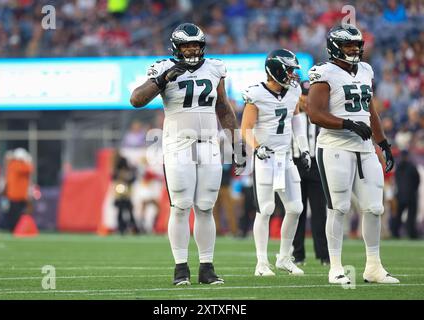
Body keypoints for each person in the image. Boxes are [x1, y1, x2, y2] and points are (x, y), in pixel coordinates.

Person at [130, 23, 246, 285]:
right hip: (178, 145)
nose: (192, 49)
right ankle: (180, 267)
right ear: (176, 48)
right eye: (186, 45)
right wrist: (164, 79)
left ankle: (207, 267)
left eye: (196, 45)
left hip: (208, 145)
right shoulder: (162, 68)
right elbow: (136, 100)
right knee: (181, 207)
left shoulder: (215, 67)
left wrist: (237, 145)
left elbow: (224, 109)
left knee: (205, 207)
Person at [307, 24, 399, 284]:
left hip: (365, 148)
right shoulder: (324, 72)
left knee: (374, 207)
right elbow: (314, 112)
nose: (355, 49)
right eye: (349, 45)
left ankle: (374, 266)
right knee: (339, 208)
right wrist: (346, 124)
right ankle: (335, 267)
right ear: (335, 47)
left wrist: (383, 142)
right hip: (335, 147)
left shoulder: (366, 70)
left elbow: (370, 112)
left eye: (357, 45)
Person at [241, 49, 311, 276]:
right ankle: (261, 262)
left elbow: (297, 119)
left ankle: (283, 257)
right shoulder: (256, 94)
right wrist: (257, 147)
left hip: (286, 157)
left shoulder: (294, 91)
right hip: (265, 158)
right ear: (277, 70)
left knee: (295, 208)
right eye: (289, 70)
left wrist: (305, 148)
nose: (292, 75)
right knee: (266, 209)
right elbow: (245, 129)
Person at [291, 80, 330, 266]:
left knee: (319, 212)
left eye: (308, 95)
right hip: (295, 163)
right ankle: (298, 255)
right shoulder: (290, 114)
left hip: (315, 165)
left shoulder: (320, 116)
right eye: (303, 95)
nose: (306, 100)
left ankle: (323, 255)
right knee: (296, 211)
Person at [391, 150, 420, 239]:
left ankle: (395, 233)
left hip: (400, 194)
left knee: (398, 216)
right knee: (411, 216)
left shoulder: (398, 167)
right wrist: (413, 191)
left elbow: (395, 180)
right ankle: (412, 234)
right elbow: (417, 181)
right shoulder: (412, 167)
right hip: (410, 195)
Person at [5, 148, 34, 231]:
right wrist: (27, 160)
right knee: (17, 215)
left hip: (13, 194)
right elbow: (30, 168)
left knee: (13, 213)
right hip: (18, 195)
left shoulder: (12, 164)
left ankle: (14, 228)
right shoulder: (19, 165)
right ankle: (16, 229)